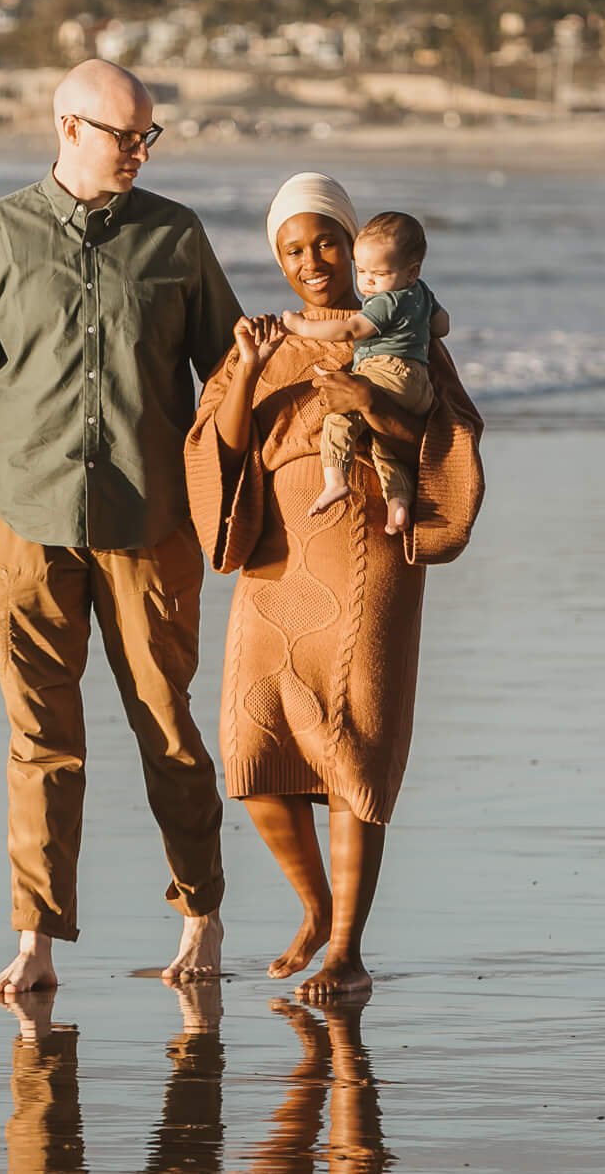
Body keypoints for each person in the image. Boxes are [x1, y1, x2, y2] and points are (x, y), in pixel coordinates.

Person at [0, 59, 244, 999]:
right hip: (27, 523)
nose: (140, 151)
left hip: (152, 526)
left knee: (168, 727)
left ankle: (202, 913)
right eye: (125, 135)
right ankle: (35, 942)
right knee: (40, 738)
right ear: (69, 127)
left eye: (150, 136)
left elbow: (231, 378)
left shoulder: (175, 237)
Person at [186, 173, 483, 1002]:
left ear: (354, 247)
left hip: (368, 560)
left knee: (354, 744)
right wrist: (245, 369)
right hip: (275, 569)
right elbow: (220, 443)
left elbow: (448, 426)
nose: (311, 260)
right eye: (292, 248)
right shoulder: (265, 337)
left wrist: (369, 404)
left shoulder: (405, 325)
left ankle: (346, 949)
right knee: (250, 749)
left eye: (325, 242)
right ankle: (314, 907)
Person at [278, 209, 448, 535]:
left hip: (386, 372)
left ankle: (335, 480)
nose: (368, 281)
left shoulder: (382, 303)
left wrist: (302, 325)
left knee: (340, 415)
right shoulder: (422, 293)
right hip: (418, 382)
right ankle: (398, 504)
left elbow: (351, 328)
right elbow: (443, 325)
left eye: (378, 273)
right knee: (385, 451)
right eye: (363, 271)